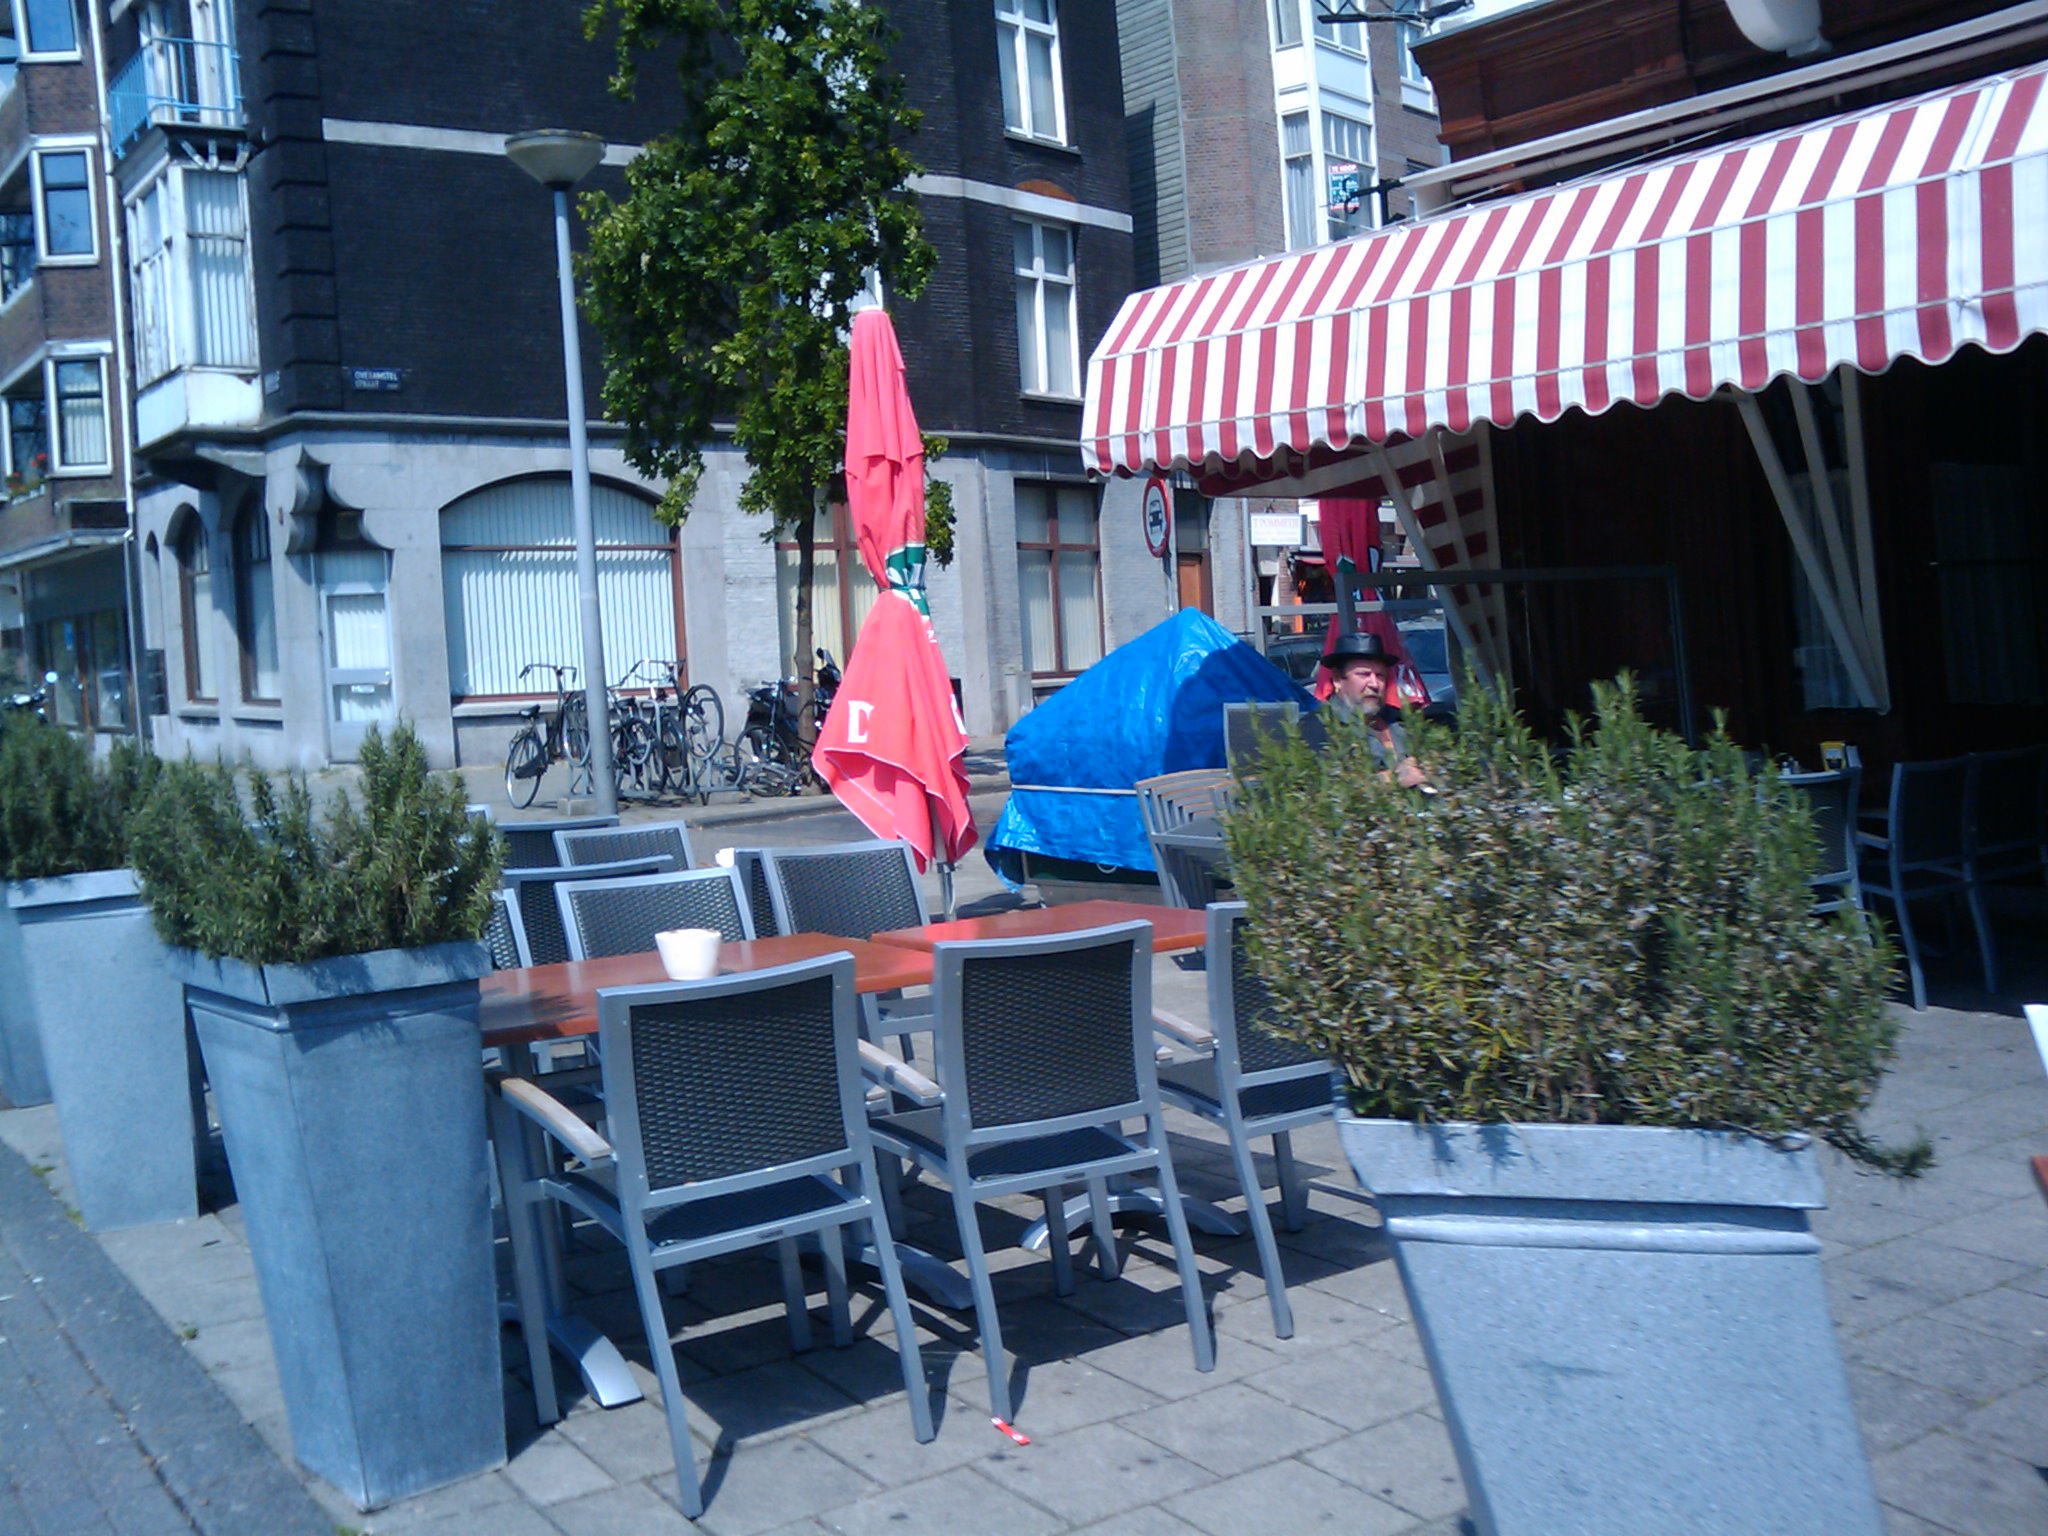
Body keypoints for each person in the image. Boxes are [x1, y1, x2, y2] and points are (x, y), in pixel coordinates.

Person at [1320, 632, 1431, 791]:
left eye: (1380, 676)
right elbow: (1329, 789)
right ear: (1338, 679)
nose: (1374, 684)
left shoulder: (1398, 719)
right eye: (1363, 675)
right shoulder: (1321, 727)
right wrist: (1394, 779)